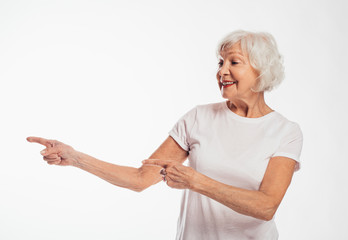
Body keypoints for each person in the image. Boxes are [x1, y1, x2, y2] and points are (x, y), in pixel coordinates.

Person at [27, 29, 303, 240]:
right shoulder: (199, 117)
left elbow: (266, 206)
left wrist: (196, 182)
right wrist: (75, 158)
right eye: (220, 62)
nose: (222, 71)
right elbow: (140, 179)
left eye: (234, 62)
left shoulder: (284, 131)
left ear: (261, 69)